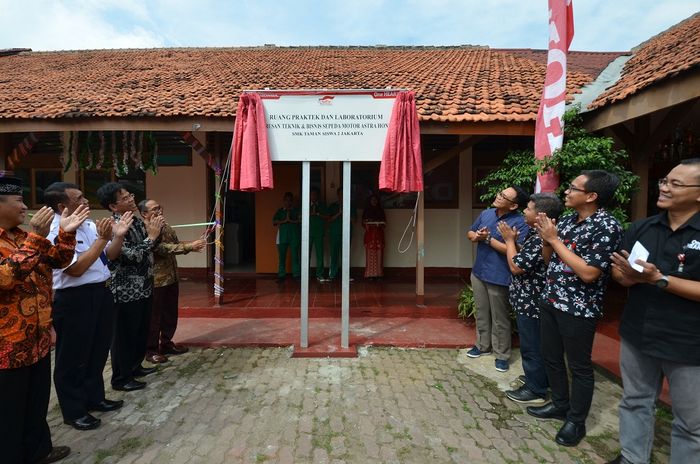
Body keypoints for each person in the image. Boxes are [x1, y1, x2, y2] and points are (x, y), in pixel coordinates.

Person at [607, 159, 700, 464]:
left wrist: (658, 279)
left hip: (689, 343)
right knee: (635, 401)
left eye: (675, 184)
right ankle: (633, 457)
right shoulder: (642, 227)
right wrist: (628, 276)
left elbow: (657, 279)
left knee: (690, 423)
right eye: (664, 181)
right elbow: (620, 275)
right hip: (638, 333)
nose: (664, 187)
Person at [527, 170, 622, 448]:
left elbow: (589, 273)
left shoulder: (607, 226)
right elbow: (549, 261)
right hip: (551, 299)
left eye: (573, 188)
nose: (566, 192)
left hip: (579, 308)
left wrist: (554, 240)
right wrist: (546, 239)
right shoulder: (567, 221)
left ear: (591, 196)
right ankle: (559, 404)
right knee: (552, 357)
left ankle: (576, 420)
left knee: (579, 366)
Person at [0, 175, 88, 464]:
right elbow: (5, 278)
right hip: (7, 346)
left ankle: (38, 452)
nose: (26, 207)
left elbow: (59, 260)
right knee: (9, 410)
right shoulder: (29, 238)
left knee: (36, 404)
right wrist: (38, 237)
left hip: (36, 337)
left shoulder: (24, 238)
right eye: (19, 202)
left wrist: (66, 233)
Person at [44, 183, 132, 431]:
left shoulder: (91, 225)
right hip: (74, 298)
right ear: (63, 206)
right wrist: (103, 239)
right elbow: (75, 269)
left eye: (84, 195)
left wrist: (119, 236)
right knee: (72, 356)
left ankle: (94, 398)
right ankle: (73, 410)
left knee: (97, 350)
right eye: (79, 198)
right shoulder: (56, 231)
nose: (85, 201)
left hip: (100, 292)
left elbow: (110, 256)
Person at [96, 182, 164, 392]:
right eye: (124, 198)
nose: (131, 199)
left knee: (140, 330)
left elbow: (150, 246)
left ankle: (135, 367)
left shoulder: (134, 220)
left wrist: (155, 230)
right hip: (125, 290)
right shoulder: (115, 226)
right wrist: (151, 237)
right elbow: (132, 255)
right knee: (124, 335)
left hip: (143, 285)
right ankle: (121, 378)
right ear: (113, 206)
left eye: (130, 195)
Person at [497, 193, 564, 405]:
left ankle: (536, 389)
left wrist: (509, 242)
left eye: (528, 208)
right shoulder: (536, 235)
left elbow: (517, 267)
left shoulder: (540, 239)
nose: (525, 211)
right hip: (528, 299)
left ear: (540, 215)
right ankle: (538, 379)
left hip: (532, 302)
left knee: (532, 346)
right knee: (536, 345)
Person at [466, 185, 530, 372]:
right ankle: (482, 345)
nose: (498, 196)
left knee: (500, 316)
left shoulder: (520, 222)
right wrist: (477, 235)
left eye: (504, 196)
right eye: (500, 193)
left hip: (499, 274)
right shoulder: (487, 213)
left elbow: (515, 251)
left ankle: (501, 354)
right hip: (479, 271)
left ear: (513, 206)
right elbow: (470, 232)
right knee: (481, 311)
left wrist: (488, 240)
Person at [138, 199, 206, 364]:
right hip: (156, 279)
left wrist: (191, 245)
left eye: (159, 207)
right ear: (144, 214)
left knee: (170, 313)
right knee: (154, 316)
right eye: (154, 209)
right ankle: (151, 350)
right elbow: (160, 249)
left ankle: (167, 343)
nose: (159, 211)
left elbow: (173, 245)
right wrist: (188, 247)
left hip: (171, 276)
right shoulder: (145, 230)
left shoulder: (165, 226)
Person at [327, 187, 356, 281]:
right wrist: (339, 213)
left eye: (344, 194)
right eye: (340, 194)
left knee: (346, 255)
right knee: (334, 254)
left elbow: (354, 220)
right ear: (338, 195)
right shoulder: (332, 206)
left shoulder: (351, 205)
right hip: (335, 233)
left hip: (347, 233)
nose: (342, 196)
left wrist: (345, 213)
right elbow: (329, 219)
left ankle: (346, 275)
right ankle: (332, 275)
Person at [272, 192, 301, 281]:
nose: (288, 202)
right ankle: (281, 275)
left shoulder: (296, 211)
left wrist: (291, 221)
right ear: (283, 201)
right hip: (282, 237)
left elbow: (301, 220)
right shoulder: (280, 211)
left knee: (295, 256)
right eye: (286, 200)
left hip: (294, 236)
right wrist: (284, 221)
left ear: (292, 201)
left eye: (290, 200)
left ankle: (296, 275)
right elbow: (274, 222)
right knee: (282, 257)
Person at [362, 193, 386, 280]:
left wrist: (379, 224)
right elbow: (363, 222)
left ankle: (379, 275)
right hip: (370, 236)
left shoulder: (381, 210)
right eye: (372, 200)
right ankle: (370, 275)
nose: (374, 201)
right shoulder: (366, 210)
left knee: (379, 255)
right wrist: (367, 224)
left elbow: (384, 223)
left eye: (376, 200)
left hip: (379, 235)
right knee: (370, 255)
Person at [309, 187, 328, 282]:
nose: (313, 196)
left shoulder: (322, 205)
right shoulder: (306, 205)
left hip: (319, 232)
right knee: (305, 254)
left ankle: (319, 274)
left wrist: (317, 214)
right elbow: (300, 217)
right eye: (312, 194)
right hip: (307, 233)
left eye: (315, 194)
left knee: (320, 254)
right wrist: (310, 213)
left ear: (318, 196)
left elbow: (327, 217)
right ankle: (305, 274)